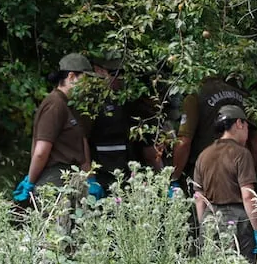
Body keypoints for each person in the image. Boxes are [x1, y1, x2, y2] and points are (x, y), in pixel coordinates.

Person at [13, 53, 98, 203]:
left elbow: (81, 144)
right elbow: (41, 151)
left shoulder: (70, 105)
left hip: (71, 180)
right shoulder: (55, 104)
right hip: (54, 182)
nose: (89, 85)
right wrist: (30, 182)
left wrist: (90, 178)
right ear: (71, 77)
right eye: (86, 79)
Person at [192, 105, 257, 264]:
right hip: (237, 221)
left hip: (211, 218)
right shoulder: (241, 153)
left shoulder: (204, 155)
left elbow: (199, 198)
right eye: (246, 126)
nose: (247, 132)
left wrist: (204, 224)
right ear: (239, 123)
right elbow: (247, 195)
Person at [86, 52, 163, 190]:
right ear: (99, 71)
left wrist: (164, 180)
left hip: (131, 180)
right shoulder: (89, 103)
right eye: (115, 73)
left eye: (123, 73)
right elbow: (81, 142)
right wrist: (90, 178)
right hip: (100, 177)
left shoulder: (135, 101)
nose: (120, 78)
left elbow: (149, 149)